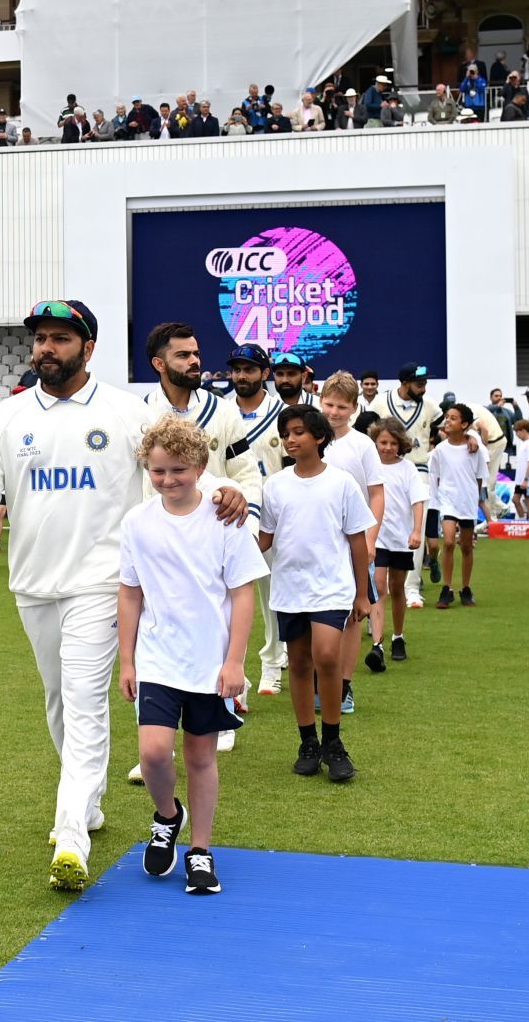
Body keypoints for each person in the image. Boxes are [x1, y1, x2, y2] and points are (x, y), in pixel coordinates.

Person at [0, 299, 247, 893]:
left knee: (85, 704)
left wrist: (226, 492)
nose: (46, 349)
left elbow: (176, 456)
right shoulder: (9, 417)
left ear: (87, 348)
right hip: (33, 583)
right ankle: (87, 803)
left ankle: (70, 840)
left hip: (102, 582)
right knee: (59, 703)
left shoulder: (123, 409)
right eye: (40, 339)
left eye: (60, 339)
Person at [117, 417, 265, 896]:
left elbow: (243, 594)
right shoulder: (138, 522)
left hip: (210, 662)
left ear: (202, 467)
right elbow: (130, 592)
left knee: (201, 757)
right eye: (158, 471)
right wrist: (127, 660)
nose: (168, 480)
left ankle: (200, 850)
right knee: (154, 753)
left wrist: (235, 662)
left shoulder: (227, 519)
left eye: (179, 469)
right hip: (157, 658)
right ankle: (167, 816)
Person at [256, 404, 372, 784]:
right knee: (300, 663)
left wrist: (361, 593)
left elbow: (357, 541)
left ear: (319, 437)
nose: (290, 439)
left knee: (326, 655)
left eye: (298, 432)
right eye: (286, 433)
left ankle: (334, 741)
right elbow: (265, 539)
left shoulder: (341, 483)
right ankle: (308, 742)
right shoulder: (275, 484)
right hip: (290, 589)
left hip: (332, 588)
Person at [223, 344, 290, 694]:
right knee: (226, 598)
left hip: (273, 518)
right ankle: (236, 676)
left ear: (265, 373)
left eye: (249, 369)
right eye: (236, 369)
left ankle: (273, 661)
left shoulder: (283, 413)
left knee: (271, 595)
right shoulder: (218, 411)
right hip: (227, 517)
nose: (241, 376)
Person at [315, 373, 383, 714]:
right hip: (315, 543)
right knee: (314, 611)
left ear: (355, 408)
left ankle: (343, 685)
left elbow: (377, 493)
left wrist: (370, 539)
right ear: (319, 399)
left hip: (354, 542)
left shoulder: (362, 445)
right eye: (329, 404)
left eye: (342, 406)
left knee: (354, 614)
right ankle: (318, 680)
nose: (334, 412)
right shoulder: (309, 439)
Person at [366, 362, 441, 607]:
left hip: (417, 470)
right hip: (383, 470)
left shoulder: (430, 406)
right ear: (405, 383)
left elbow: (443, 429)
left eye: (425, 384)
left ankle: (412, 587)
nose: (424, 388)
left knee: (414, 527)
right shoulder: (380, 404)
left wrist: (471, 439)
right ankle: (377, 584)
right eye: (419, 384)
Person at [368, 420, 426, 664]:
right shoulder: (369, 468)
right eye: (383, 442)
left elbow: (418, 501)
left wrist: (416, 531)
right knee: (379, 586)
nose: (387, 447)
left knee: (398, 588)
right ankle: (377, 644)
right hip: (376, 537)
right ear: (375, 442)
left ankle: (398, 636)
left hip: (401, 539)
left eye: (392, 443)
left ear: (401, 444)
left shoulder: (408, 469)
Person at [428, 403, 485, 609]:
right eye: (447, 417)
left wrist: (474, 499)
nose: (447, 421)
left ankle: (466, 588)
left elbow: (479, 477)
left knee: (467, 546)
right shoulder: (439, 451)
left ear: (465, 424)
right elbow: (435, 478)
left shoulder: (474, 448)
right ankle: (447, 588)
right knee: (449, 541)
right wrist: (435, 503)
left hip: (467, 501)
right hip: (447, 501)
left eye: (453, 418)